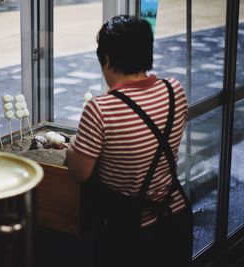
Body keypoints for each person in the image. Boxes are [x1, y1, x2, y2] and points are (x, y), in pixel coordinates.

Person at [66, 15, 193, 267]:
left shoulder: (100, 109)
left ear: (108, 60)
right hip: (176, 218)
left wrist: (72, 147)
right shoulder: (174, 90)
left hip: (130, 231)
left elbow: (80, 173)